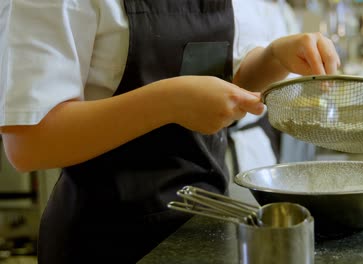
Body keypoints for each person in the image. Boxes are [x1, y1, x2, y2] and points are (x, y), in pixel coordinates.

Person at [0, 0, 340, 263]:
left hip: (203, 226)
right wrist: (170, 103)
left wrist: (274, 58)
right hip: (106, 240)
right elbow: (29, 141)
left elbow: (220, 81)